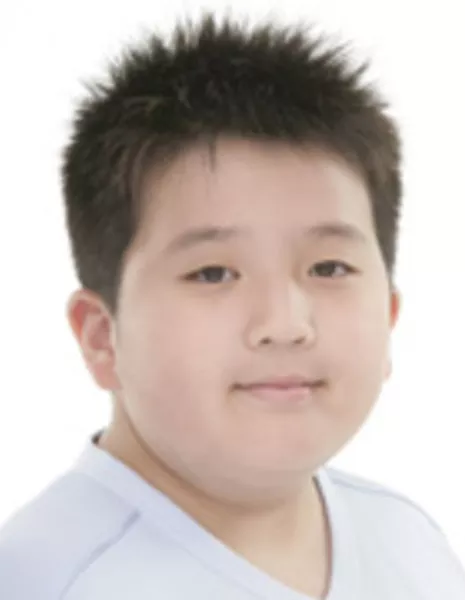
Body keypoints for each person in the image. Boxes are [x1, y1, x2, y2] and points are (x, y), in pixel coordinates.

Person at [1, 11, 464, 600]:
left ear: (389, 316)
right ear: (101, 337)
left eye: (329, 268)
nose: (285, 324)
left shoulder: (408, 541)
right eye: (213, 273)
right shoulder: (44, 580)